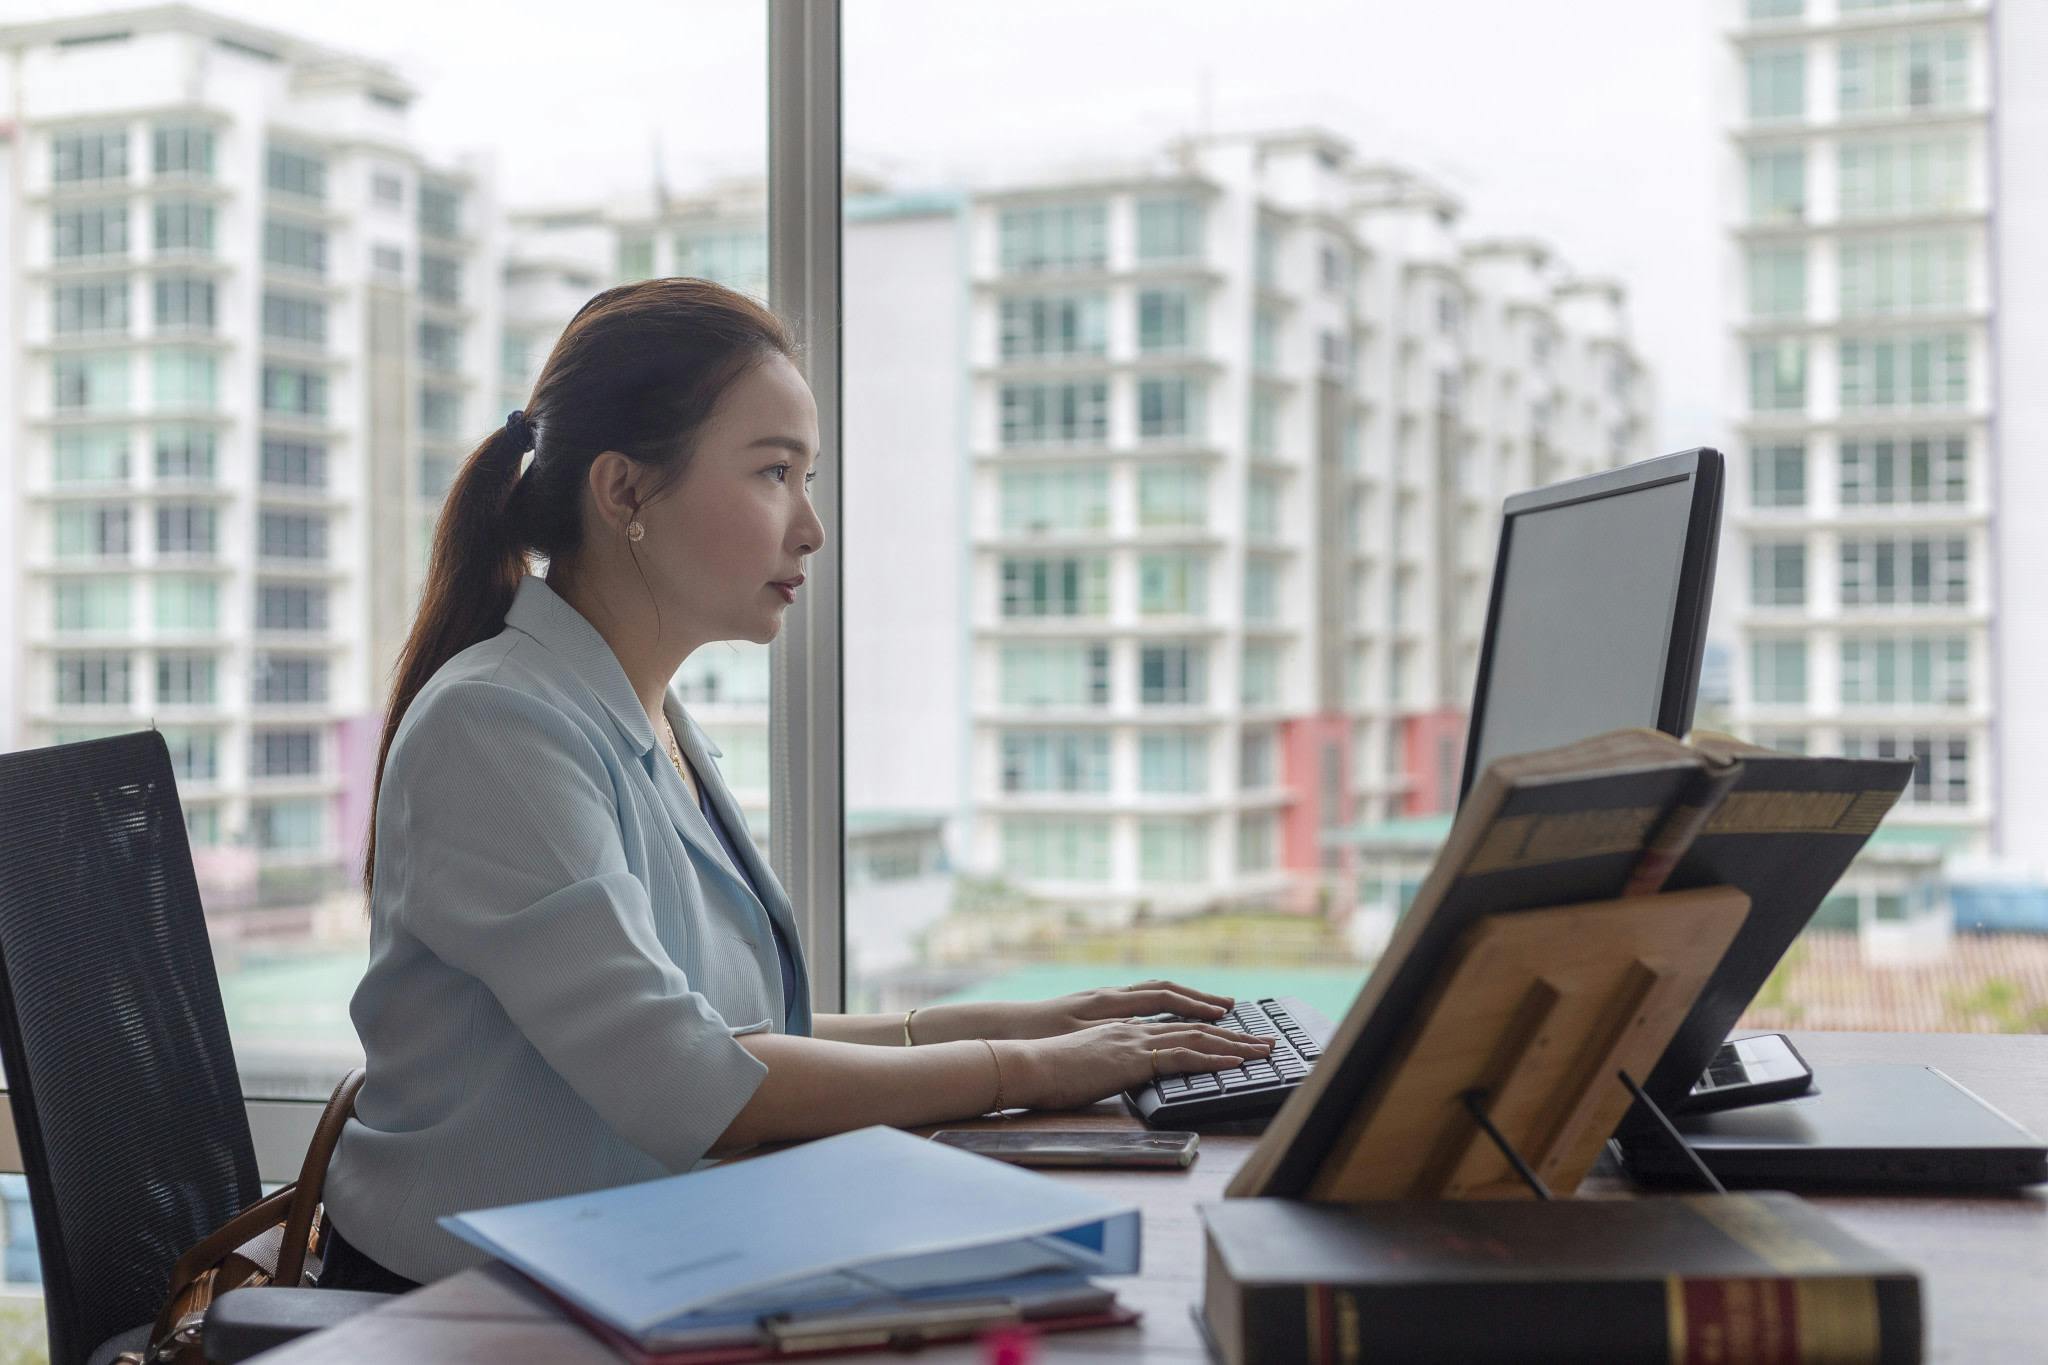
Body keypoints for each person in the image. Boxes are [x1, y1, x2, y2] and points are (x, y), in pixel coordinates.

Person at [320, 279, 1274, 1289]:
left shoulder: (638, 715)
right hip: (461, 1308)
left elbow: (733, 1035)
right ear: (625, 492)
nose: (811, 528)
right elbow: (688, 1079)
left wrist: (1039, 1022)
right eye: (775, 473)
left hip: (635, 1266)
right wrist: (1027, 1072)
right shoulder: (497, 725)